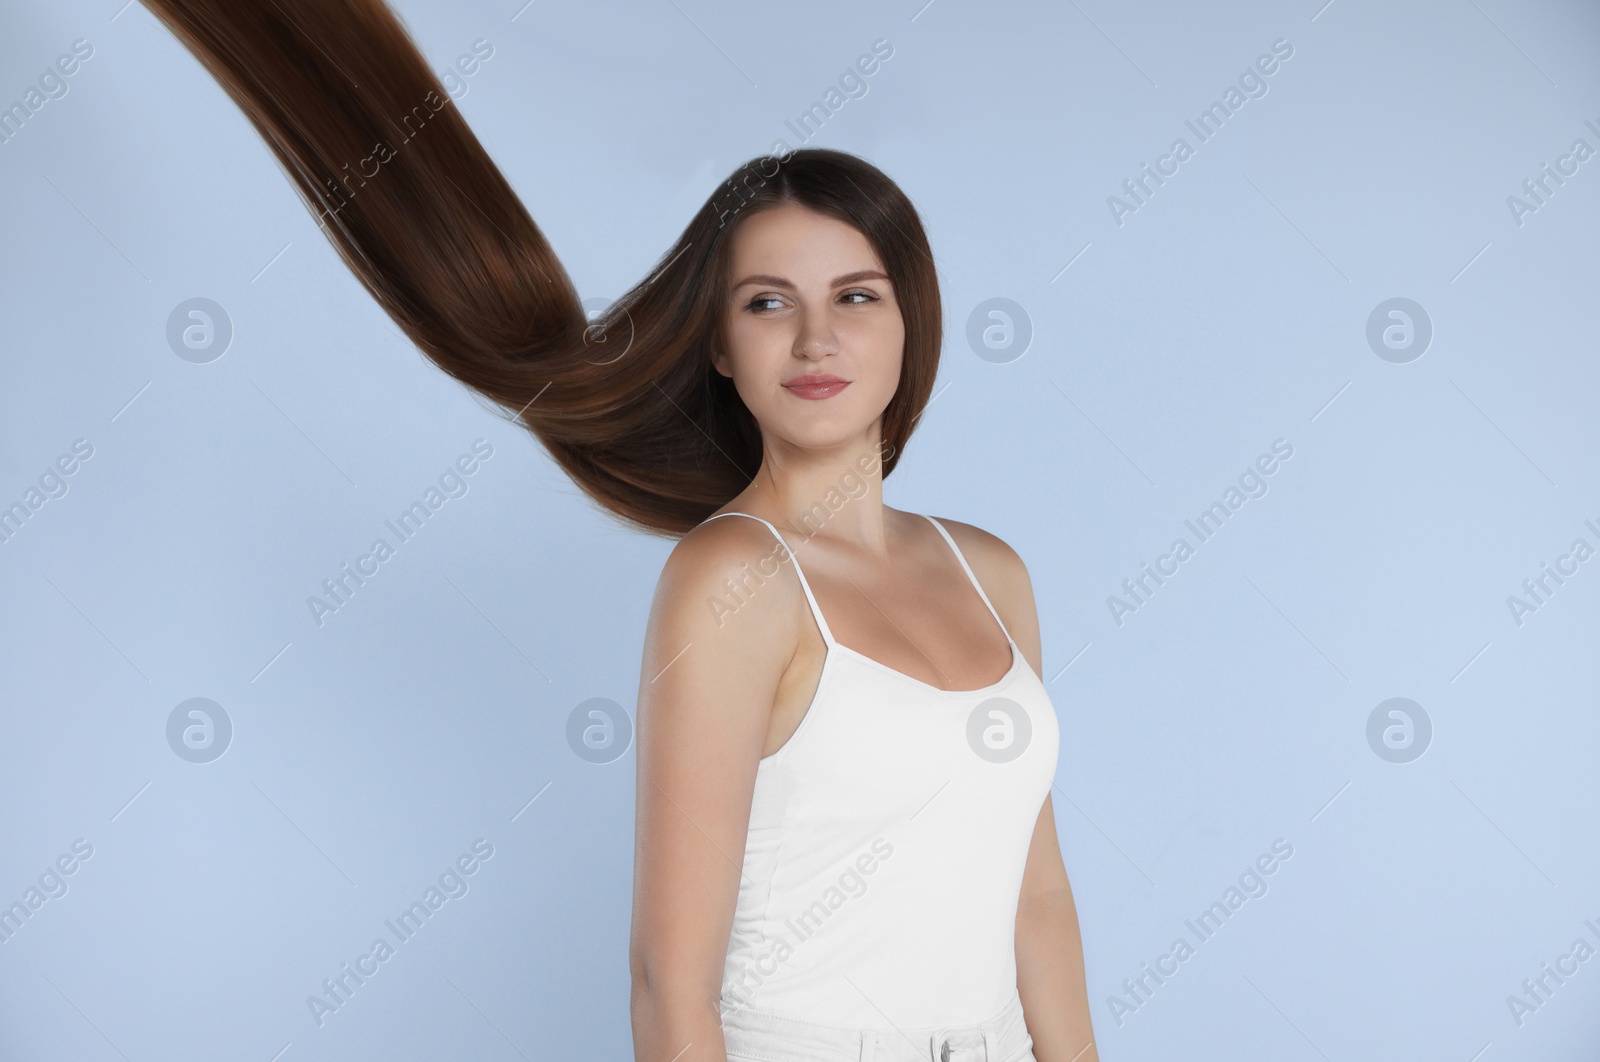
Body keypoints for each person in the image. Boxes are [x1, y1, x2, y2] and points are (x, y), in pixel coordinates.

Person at [139, 2, 1097, 1058]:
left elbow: (1037, 904)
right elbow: (667, 984)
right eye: (768, 303)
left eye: (856, 297)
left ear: (909, 324)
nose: (818, 336)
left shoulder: (990, 571)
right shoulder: (733, 579)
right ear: (721, 348)